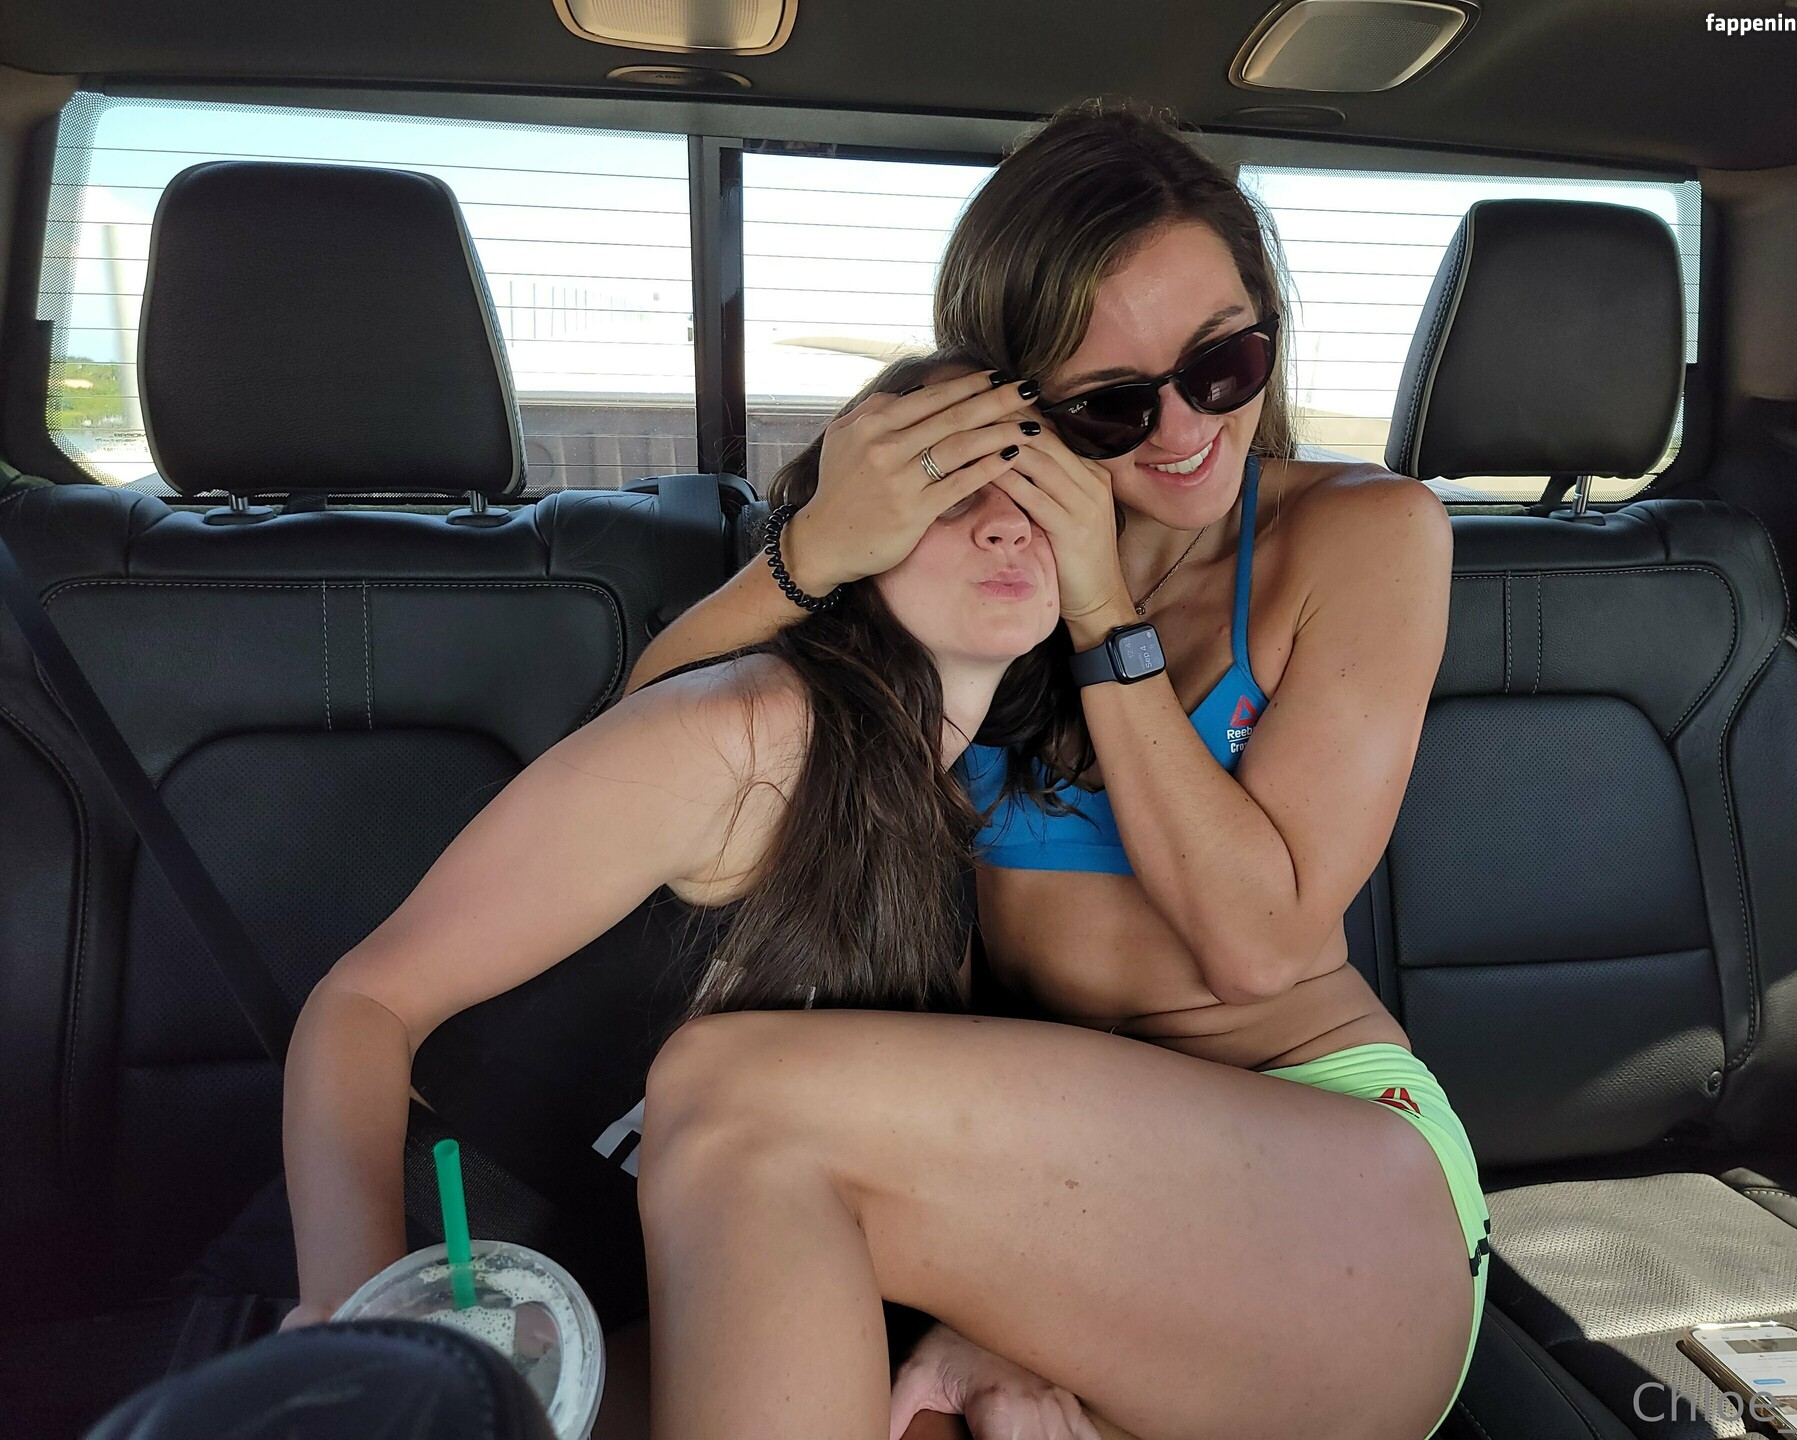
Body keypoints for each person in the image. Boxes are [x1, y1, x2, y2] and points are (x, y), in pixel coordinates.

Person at [620, 103, 1485, 1440]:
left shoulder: (1364, 534)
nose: (1186, 426)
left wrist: (1103, 612)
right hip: (1055, 1201)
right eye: (1112, 403)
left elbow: (1257, 945)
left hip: (1331, 1184)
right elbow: (650, 764)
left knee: (726, 1101)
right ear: (1013, 402)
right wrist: (820, 546)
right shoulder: (977, 555)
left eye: (1225, 362)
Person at [271, 351, 1054, 1340]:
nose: (1004, 521)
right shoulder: (752, 731)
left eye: (1033, 484)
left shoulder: (961, 809)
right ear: (859, 533)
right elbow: (366, 1005)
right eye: (944, 488)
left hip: (651, 1300)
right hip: (454, 1253)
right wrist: (354, 1316)